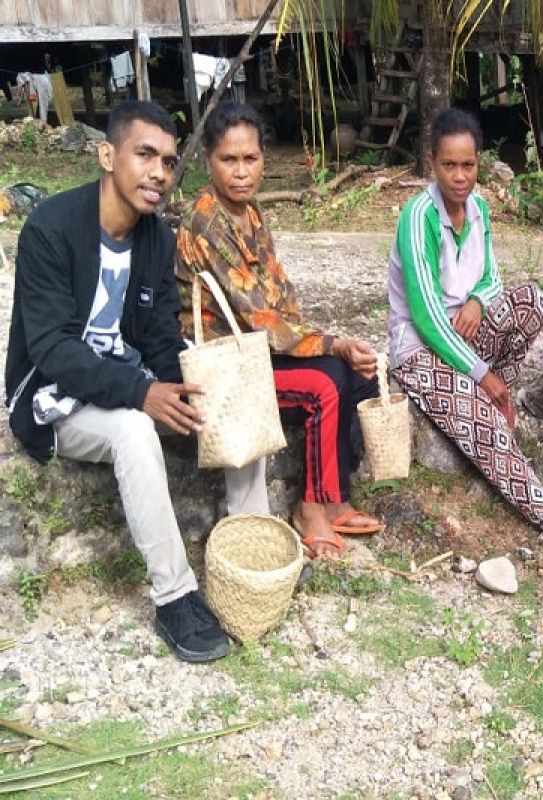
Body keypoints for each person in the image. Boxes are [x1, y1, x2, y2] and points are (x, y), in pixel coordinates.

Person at [5, 101, 268, 663]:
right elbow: (51, 351)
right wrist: (142, 394)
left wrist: (193, 389)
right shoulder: (50, 229)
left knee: (229, 393)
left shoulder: (154, 238)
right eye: (144, 155)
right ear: (107, 155)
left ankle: (251, 556)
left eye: (169, 162)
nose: (158, 173)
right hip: (55, 400)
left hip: (126, 377)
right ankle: (175, 597)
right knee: (133, 430)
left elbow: (158, 340)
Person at [387, 107, 543, 581]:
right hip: (420, 350)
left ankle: (490, 401)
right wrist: (483, 375)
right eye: (449, 165)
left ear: (478, 163)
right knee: (489, 434)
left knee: (531, 300)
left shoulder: (479, 210)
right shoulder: (418, 218)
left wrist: (476, 299)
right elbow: (427, 318)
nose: (460, 176)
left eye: (468, 165)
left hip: (464, 336)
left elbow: (494, 277)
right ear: (432, 163)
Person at [175, 102, 382, 560]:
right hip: (228, 366)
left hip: (258, 352)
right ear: (209, 160)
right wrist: (331, 345)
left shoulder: (249, 215)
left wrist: (330, 343)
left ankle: (335, 498)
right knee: (323, 384)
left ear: (264, 160)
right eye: (229, 160)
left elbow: (282, 298)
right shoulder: (207, 221)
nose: (242, 171)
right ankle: (310, 510)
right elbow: (259, 319)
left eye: (251, 159)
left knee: (356, 375)